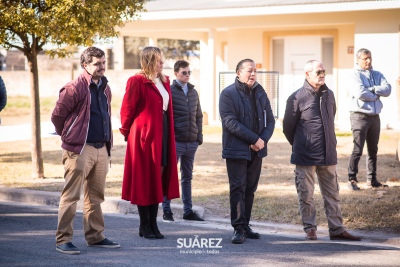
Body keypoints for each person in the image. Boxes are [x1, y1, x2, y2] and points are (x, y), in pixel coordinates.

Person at [51, 47, 120, 255]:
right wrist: (70, 136)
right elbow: (57, 116)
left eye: (103, 62)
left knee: (96, 196)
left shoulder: (105, 87)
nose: (102, 67)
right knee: (71, 196)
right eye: (97, 63)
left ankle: (95, 236)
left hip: (101, 148)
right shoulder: (74, 88)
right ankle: (63, 239)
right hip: (79, 149)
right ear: (85, 65)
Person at [283, 60, 361, 241]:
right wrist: (302, 144)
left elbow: (330, 117)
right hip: (305, 155)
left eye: (323, 71)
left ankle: (337, 229)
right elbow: (288, 128)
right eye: (318, 72)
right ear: (307, 74)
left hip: (328, 154)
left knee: (332, 194)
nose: (322, 74)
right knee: (306, 194)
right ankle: (310, 228)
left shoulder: (329, 95)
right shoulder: (297, 97)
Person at [120, 46, 180, 239]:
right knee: (144, 180)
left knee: (158, 179)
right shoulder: (137, 81)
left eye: (162, 59)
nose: (162, 63)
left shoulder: (164, 81)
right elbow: (127, 110)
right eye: (158, 60)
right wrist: (127, 133)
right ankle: (144, 225)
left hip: (162, 134)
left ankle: (154, 224)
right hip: (143, 137)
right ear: (148, 61)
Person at [219, 58, 275, 244]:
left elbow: (270, 120)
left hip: (257, 150)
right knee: (238, 188)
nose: (253, 74)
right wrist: (254, 139)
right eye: (249, 70)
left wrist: (262, 141)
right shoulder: (228, 94)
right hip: (236, 150)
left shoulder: (260, 92)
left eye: (255, 71)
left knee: (250, 188)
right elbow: (230, 122)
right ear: (238, 73)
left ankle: (246, 224)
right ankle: (238, 228)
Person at [162, 60, 204, 222]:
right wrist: (170, 139)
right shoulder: (170, 91)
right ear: (176, 74)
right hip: (176, 142)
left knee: (187, 177)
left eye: (189, 73)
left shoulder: (193, 92)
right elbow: (166, 118)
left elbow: (198, 116)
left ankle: (188, 211)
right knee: (170, 176)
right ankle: (167, 210)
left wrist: (198, 137)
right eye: (184, 73)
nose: (187, 75)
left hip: (191, 142)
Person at [347, 48, 392, 190]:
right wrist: (376, 94)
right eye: (365, 58)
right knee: (357, 149)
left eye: (369, 58)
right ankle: (352, 179)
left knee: (373, 150)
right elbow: (360, 93)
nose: (368, 61)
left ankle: (372, 179)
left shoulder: (377, 74)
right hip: (359, 116)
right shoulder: (355, 75)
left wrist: (372, 89)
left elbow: (388, 89)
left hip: (375, 117)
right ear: (358, 60)